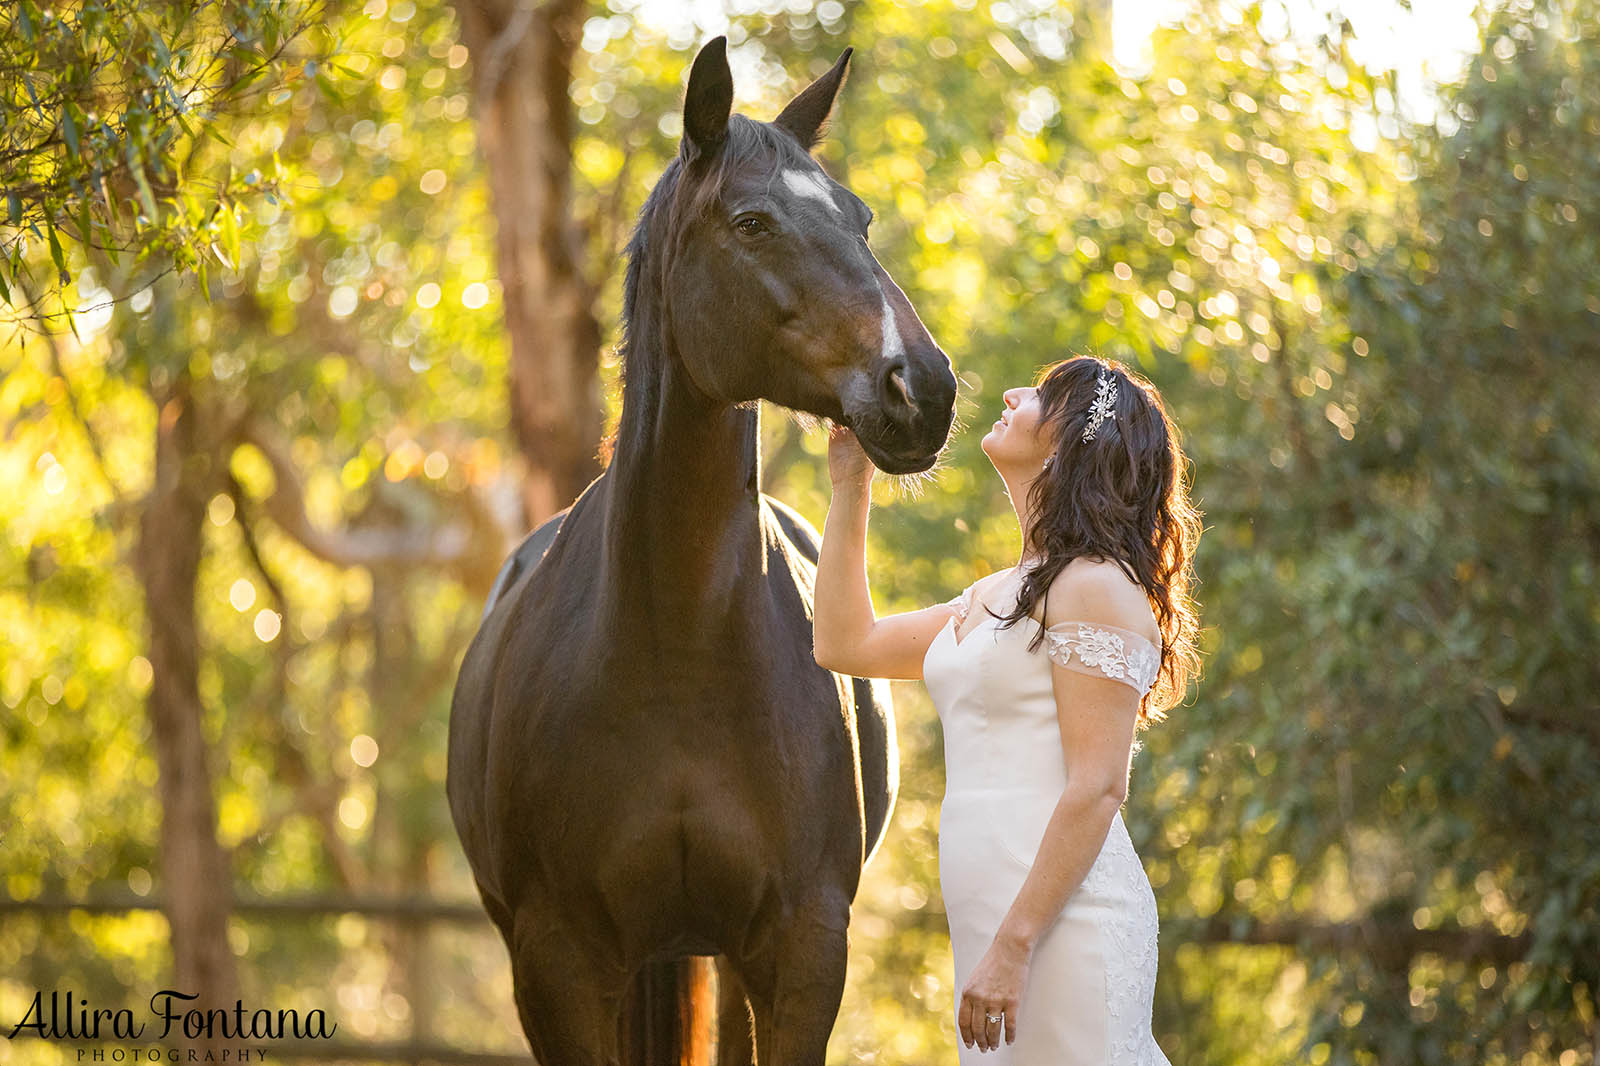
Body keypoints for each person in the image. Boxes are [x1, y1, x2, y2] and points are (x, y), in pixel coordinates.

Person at [812, 355, 1201, 1064]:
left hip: (1059, 928)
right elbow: (846, 642)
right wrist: (850, 486)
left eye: (1040, 396)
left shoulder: (1094, 588)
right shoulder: (992, 593)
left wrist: (1014, 947)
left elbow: (1098, 787)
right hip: (991, 925)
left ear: (1071, 442)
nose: (1011, 393)